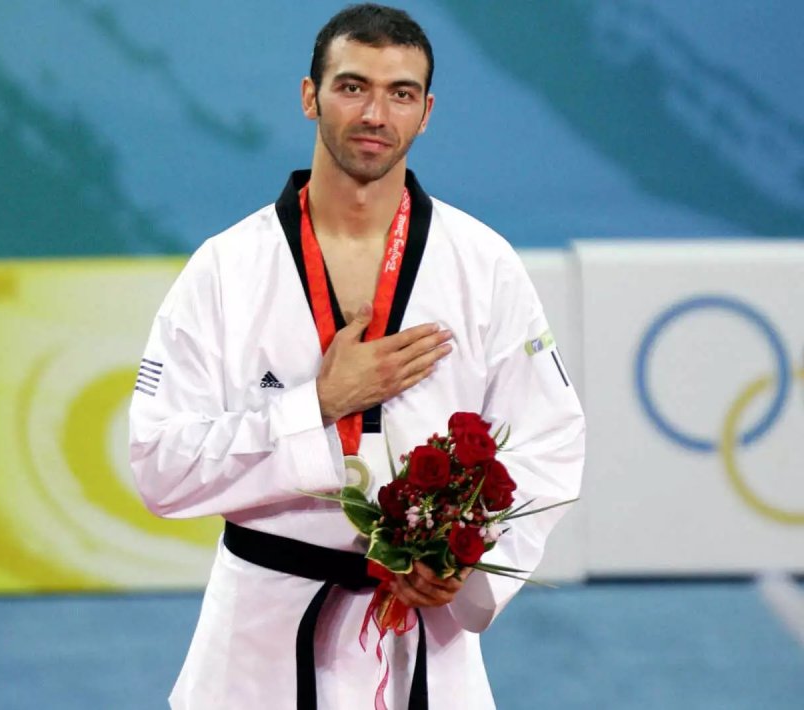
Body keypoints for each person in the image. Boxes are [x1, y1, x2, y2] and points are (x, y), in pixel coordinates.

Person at [129, 4, 585, 708]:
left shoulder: (482, 264)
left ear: (426, 113)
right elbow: (160, 466)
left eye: (400, 93)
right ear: (309, 96)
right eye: (352, 87)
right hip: (259, 639)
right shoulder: (225, 269)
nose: (375, 114)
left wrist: (462, 558)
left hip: (424, 639)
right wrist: (316, 404)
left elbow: (550, 439)